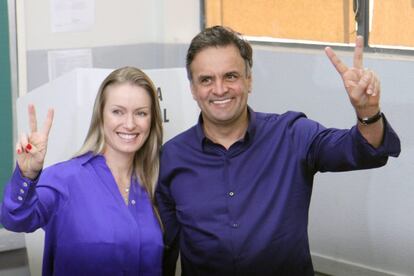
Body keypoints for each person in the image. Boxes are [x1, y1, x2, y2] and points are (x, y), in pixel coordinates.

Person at [155, 26, 401, 276]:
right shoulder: (172, 157)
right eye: (206, 79)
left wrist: (367, 111)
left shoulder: (292, 135)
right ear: (193, 88)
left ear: (248, 80)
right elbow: (164, 247)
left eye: (230, 76)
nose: (219, 89)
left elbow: (363, 150)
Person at [1, 66, 164, 276]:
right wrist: (27, 175)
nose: (130, 124)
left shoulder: (153, 183)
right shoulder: (65, 179)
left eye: (141, 113)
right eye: (117, 111)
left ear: (151, 120)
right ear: (100, 116)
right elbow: (15, 218)